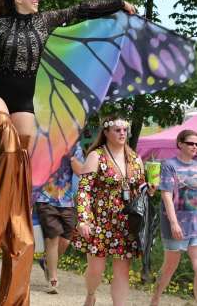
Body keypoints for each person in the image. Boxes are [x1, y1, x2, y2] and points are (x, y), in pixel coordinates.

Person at [0, 0, 136, 304]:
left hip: (24, 98)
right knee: (2, 131)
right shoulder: (0, 26)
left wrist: (117, 3)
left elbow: (81, 9)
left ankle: (13, 200)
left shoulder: (45, 21)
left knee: (23, 145)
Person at [73, 116, 153, 306]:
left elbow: (139, 187)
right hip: (99, 221)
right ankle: (91, 294)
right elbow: (84, 189)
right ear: (106, 132)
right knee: (96, 269)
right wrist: (84, 219)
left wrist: (148, 188)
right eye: (117, 130)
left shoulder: (134, 158)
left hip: (127, 222)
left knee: (122, 271)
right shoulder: (96, 156)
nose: (122, 133)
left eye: (125, 130)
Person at [150, 129, 197, 305]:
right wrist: (174, 223)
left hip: (195, 224)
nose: (194, 147)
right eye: (191, 143)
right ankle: (155, 298)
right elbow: (166, 196)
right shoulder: (169, 165)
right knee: (170, 267)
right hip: (175, 223)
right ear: (180, 144)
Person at [36, 143, 84, 294]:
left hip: (67, 201)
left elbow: (80, 172)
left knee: (66, 240)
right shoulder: (44, 141)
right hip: (45, 198)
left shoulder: (76, 146)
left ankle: (46, 262)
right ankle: (53, 280)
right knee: (53, 238)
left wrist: (70, 156)